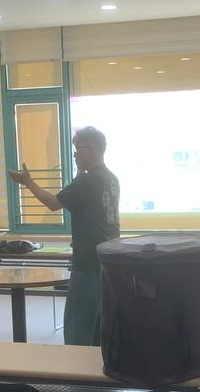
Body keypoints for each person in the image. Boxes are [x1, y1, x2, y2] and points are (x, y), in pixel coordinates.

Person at [7, 127, 119, 346]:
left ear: (91, 149)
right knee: (99, 319)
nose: (75, 155)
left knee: (79, 321)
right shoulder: (110, 178)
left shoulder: (88, 181)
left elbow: (53, 203)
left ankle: (75, 365)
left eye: (78, 150)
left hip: (87, 261)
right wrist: (79, 172)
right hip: (107, 259)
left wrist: (28, 182)